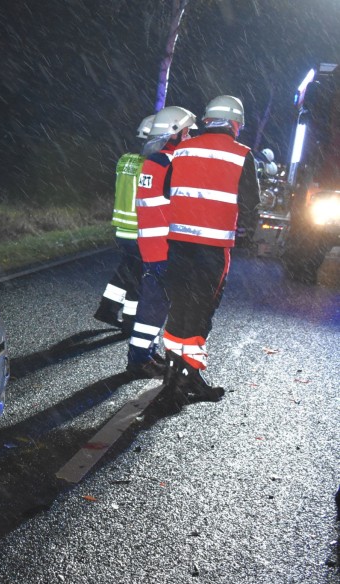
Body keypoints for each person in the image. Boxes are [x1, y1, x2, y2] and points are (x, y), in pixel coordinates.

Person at [153, 95, 260, 409]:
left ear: (208, 120)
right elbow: (251, 204)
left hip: (178, 246)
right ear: (234, 123)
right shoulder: (242, 155)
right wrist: (247, 232)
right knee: (200, 315)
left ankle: (172, 377)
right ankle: (188, 380)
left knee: (179, 309)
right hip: (212, 251)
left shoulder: (182, 149)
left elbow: (164, 191)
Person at [126, 106, 197, 378]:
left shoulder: (154, 161)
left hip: (151, 244)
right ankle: (138, 360)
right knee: (155, 305)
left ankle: (145, 353)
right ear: (174, 133)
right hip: (164, 246)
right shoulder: (170, 163)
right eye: (187, 131)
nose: (190, 136)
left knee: (154, 303)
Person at [93, 114, 156, 333]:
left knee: (126, 269)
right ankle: (130, 321)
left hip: (122, 228)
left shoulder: (125, 159)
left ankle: (107, 309)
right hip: (139, 229)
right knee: (137, 277)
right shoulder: (149, 165)